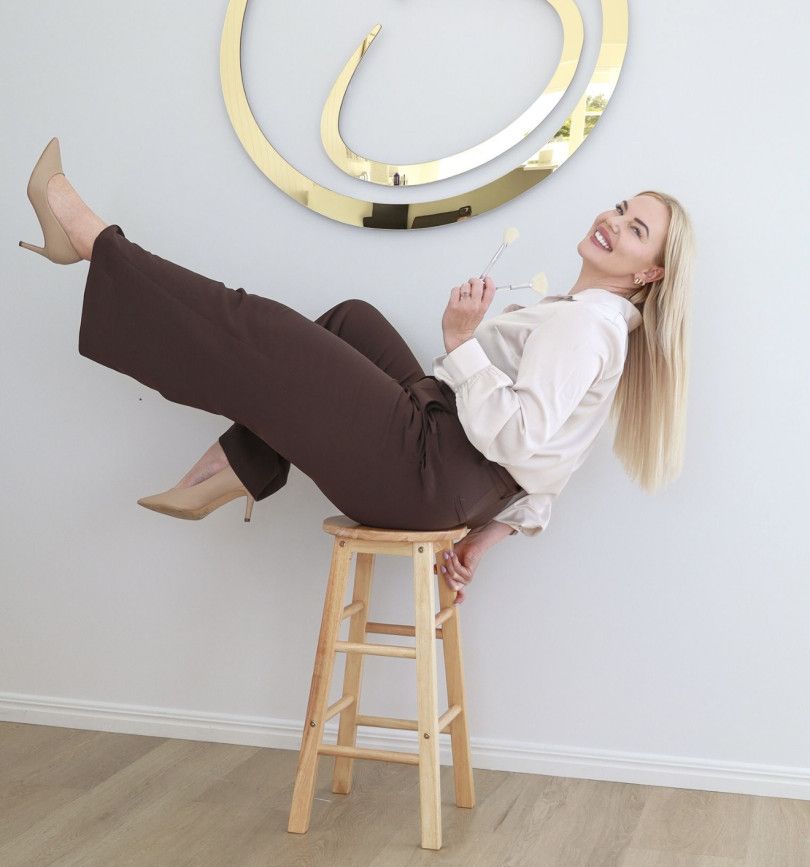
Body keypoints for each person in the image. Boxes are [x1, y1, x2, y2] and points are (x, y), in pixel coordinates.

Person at [18, 138, 694, 605]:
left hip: (433, 473)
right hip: (448, 474)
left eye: (635, 230)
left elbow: (520, 442)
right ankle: (239, 469)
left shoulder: (586, 325)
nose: (614, 220)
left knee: (263, 330)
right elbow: (555, 461)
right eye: (622, 208)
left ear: (648, 273)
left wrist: (460, 343)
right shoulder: (596, 322)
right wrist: (485, 539)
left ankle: (89, 238)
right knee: (353, 319)